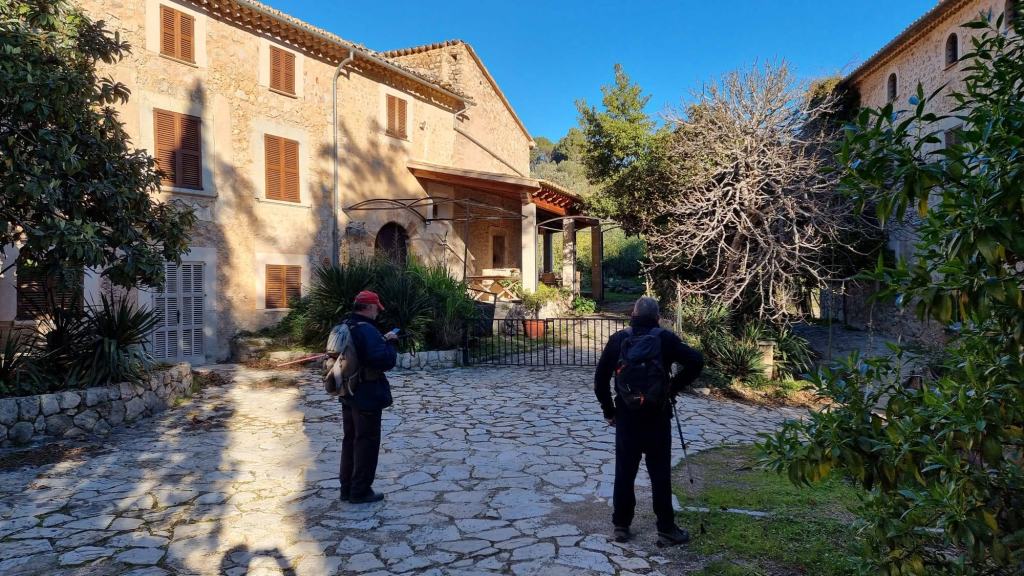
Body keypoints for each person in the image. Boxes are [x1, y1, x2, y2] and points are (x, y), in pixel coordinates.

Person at [594, 296, 704, 546]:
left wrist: (609, 411)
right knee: (659, 474)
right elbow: (696, 361)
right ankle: (666, 529)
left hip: (626, 419)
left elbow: (600, 380)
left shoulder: (619, 339)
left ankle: (621, 526)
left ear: (632, 315)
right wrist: (672, 387)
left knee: (624, 473)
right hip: (657, 417)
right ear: (657, 318)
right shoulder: (664, 339)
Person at [339, 290, 398, 504]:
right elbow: (384, 360)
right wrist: (390, 343)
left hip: (348, 390)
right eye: (376, 309)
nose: (377, 314)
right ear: (370, 307)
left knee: (350, 440)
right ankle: (361, 490)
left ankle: (347, 488)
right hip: (366, 393)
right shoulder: (367, 329)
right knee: (366, 442)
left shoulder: (346, 325)